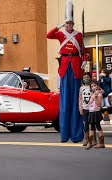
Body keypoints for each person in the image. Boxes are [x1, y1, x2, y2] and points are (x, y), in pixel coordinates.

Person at [46, 0, 86, 143]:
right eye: (67, 23)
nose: (69, 26)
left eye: (70, 23)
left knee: (76, 101)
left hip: (75, 67)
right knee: (64, 103)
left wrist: (85, 60)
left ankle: (76, 135)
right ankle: (64, 135)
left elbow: (83, 49)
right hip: (64, 67)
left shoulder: (79, 35)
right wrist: (59, 25)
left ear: (73, 24)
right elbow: (49, 35)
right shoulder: (61, 34)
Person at [86, 81, 105, 149]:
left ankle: (101, 143)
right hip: (91, 112)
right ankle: (90, 142)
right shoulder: (94, 93)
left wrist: (95, 98)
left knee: (98, 126)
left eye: (95, 85)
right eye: (92, 86)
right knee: (92, 127)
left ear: (97, 86)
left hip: (96, 112)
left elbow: (99, 104)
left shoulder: (98, 94)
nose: (93, 87)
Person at [78, 73, 93, 146]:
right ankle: (86, 138)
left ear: (90, 78)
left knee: (93, 124)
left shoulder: (93, 86)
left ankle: (93, 139)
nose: (86, 79)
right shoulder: (81, 88)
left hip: (93, 109)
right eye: (84, 78)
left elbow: (100, 92)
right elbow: (80, 99)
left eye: (87, 77)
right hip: (85, 108)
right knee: (85, 124)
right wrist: (80, 108)